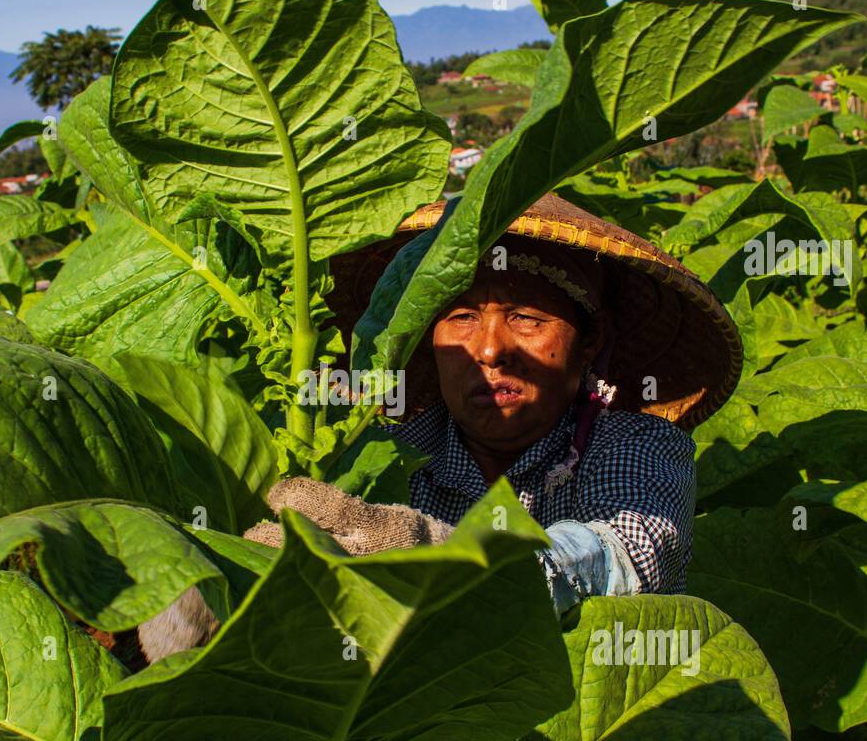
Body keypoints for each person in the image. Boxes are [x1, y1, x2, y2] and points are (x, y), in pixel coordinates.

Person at [136, 194, 741, 664]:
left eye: (527, 318)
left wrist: (417, 550)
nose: (489, 350)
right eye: (461, 317)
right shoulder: (392, 446)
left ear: (591, 344)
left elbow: (623, 562)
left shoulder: (633, 443)